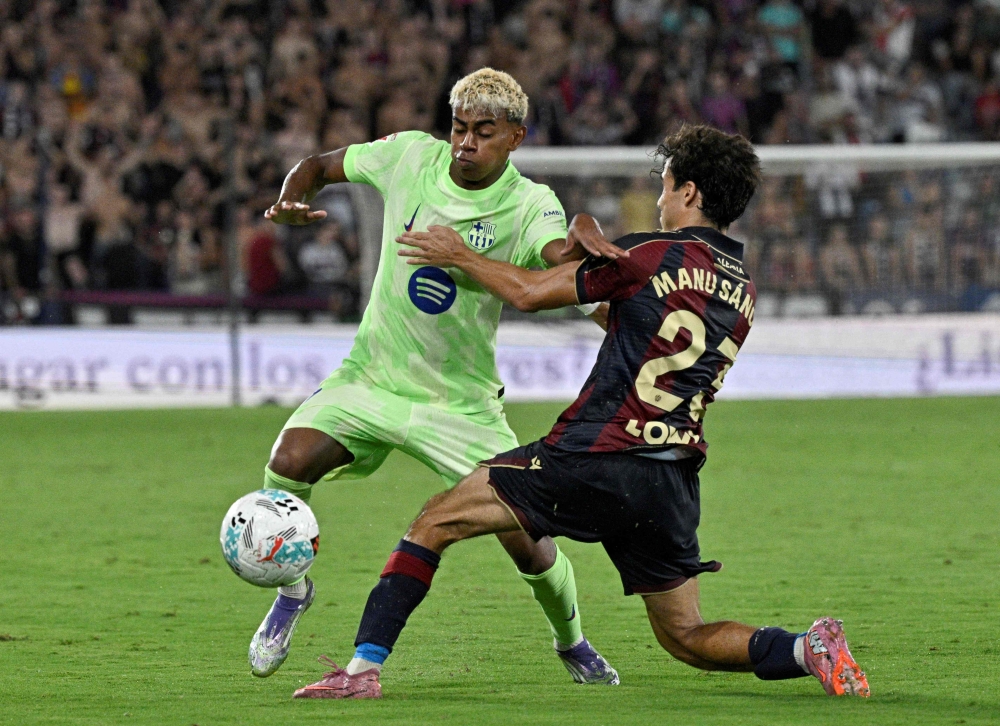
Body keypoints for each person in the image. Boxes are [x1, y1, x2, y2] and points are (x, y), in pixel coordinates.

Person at [292, 125, 871, 700]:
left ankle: (361, 672)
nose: (661, 200)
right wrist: (580, 230)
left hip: (596, 454)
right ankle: (808, 648)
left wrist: (459, 255)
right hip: (670, 477)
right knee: (686, 636)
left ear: (690, 192)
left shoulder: (647, 254)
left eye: (666, 186)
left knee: (434, 521)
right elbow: (630, 321)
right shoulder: (741, 287)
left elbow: (529, 293)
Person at [252, 68, 627, 685]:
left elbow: (556, 260)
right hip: (372, 378)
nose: (465, 143)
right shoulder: (408, 156)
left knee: (528, 542)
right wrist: (291, 196)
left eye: (484, 132)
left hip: (461, 405)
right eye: (458, 128)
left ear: (515, 138)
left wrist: (582, 232)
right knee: (287, 464)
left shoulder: (529, 203)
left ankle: (573, 641)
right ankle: (292, 589)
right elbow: (317, 165)